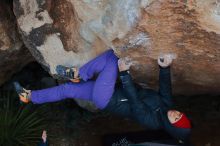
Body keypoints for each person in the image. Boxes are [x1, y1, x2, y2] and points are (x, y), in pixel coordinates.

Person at [14, 49, 191, 144]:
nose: (175, 113)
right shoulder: (168, 105)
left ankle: (79, 74)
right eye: (179, 114)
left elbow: (135, 102)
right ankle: (29, 97)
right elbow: (166, 88)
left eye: (176, 119)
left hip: (108, 98)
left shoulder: (152, 121)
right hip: (110, 93)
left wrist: (124, 74)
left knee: (111, 57)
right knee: (67, 90)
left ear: (171, 126)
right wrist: (164, 67)